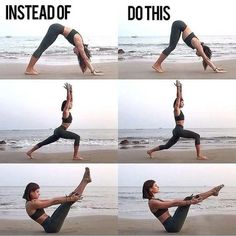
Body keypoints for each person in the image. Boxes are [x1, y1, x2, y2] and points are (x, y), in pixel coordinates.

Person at [147, 80, 207, 160]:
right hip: (178, 130)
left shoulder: (179, 110)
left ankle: (150, 151)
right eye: (182, 102)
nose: (183, 102)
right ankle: (198, 156)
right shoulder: (176, 109)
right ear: (178, 103)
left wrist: (181, 88)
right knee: (197, 136)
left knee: (167, 146)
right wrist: (178, 87)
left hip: (177, 130)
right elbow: (178, 97)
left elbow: (180, 97)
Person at [23, 167, 91, 233]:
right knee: (68, 201)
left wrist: (67, 197)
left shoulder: (31, 202)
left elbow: (50, 200)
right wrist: (69, 198)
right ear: (31, 192)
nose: (39, 194)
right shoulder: (32, 204)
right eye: (37, 192)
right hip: (52, 227)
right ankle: (85, 181)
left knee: (67, 200)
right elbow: (53, 201)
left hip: (51, 223)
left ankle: (85, 181)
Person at [27, 83, 83, 160]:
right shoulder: (65, 112)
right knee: (77, 137)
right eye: (69, 103)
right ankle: (75, 156)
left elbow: (71, 99)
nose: (71, 104)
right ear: (66, 105)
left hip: (58, 131)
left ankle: (29, 152)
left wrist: (71, 91)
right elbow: (69, 99)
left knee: (45, 142)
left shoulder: (68, 111)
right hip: (60, 130)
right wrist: (67, 91)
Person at [142, 180, 224, 233]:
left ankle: (213, 192)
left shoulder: (155, 199)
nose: (158, 186)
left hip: (172, 224)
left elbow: (173, 201)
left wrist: (188, 200)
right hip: (172, 227)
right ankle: (213, 192)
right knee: (187, 201)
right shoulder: (152, 202)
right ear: (150, 189)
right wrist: (190, 202)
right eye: (155, 186)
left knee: (187, 199)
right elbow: (173, 204)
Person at [25, 23, 103, 75]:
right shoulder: (79, 43)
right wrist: (93, 71)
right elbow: (85, 57)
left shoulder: (79, 43)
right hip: (55, 29)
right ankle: (29, 69)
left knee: (42, 48)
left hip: (56, 28)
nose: (74, 52)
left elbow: (85, 57)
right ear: (80, 50)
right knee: (41, 48)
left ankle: (31, 67)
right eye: (76, 53)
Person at [152, 20, 226, 73]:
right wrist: (215, 68)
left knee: (172, 46)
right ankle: (157, 64)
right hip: (179, 25)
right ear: (203, 51)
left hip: (179, 26)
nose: (198, 55)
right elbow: (206, 58)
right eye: (200, 55)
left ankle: (157, 64)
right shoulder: (198, 45)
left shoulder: (198, 45)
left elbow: (205, 58)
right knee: (171, 47)